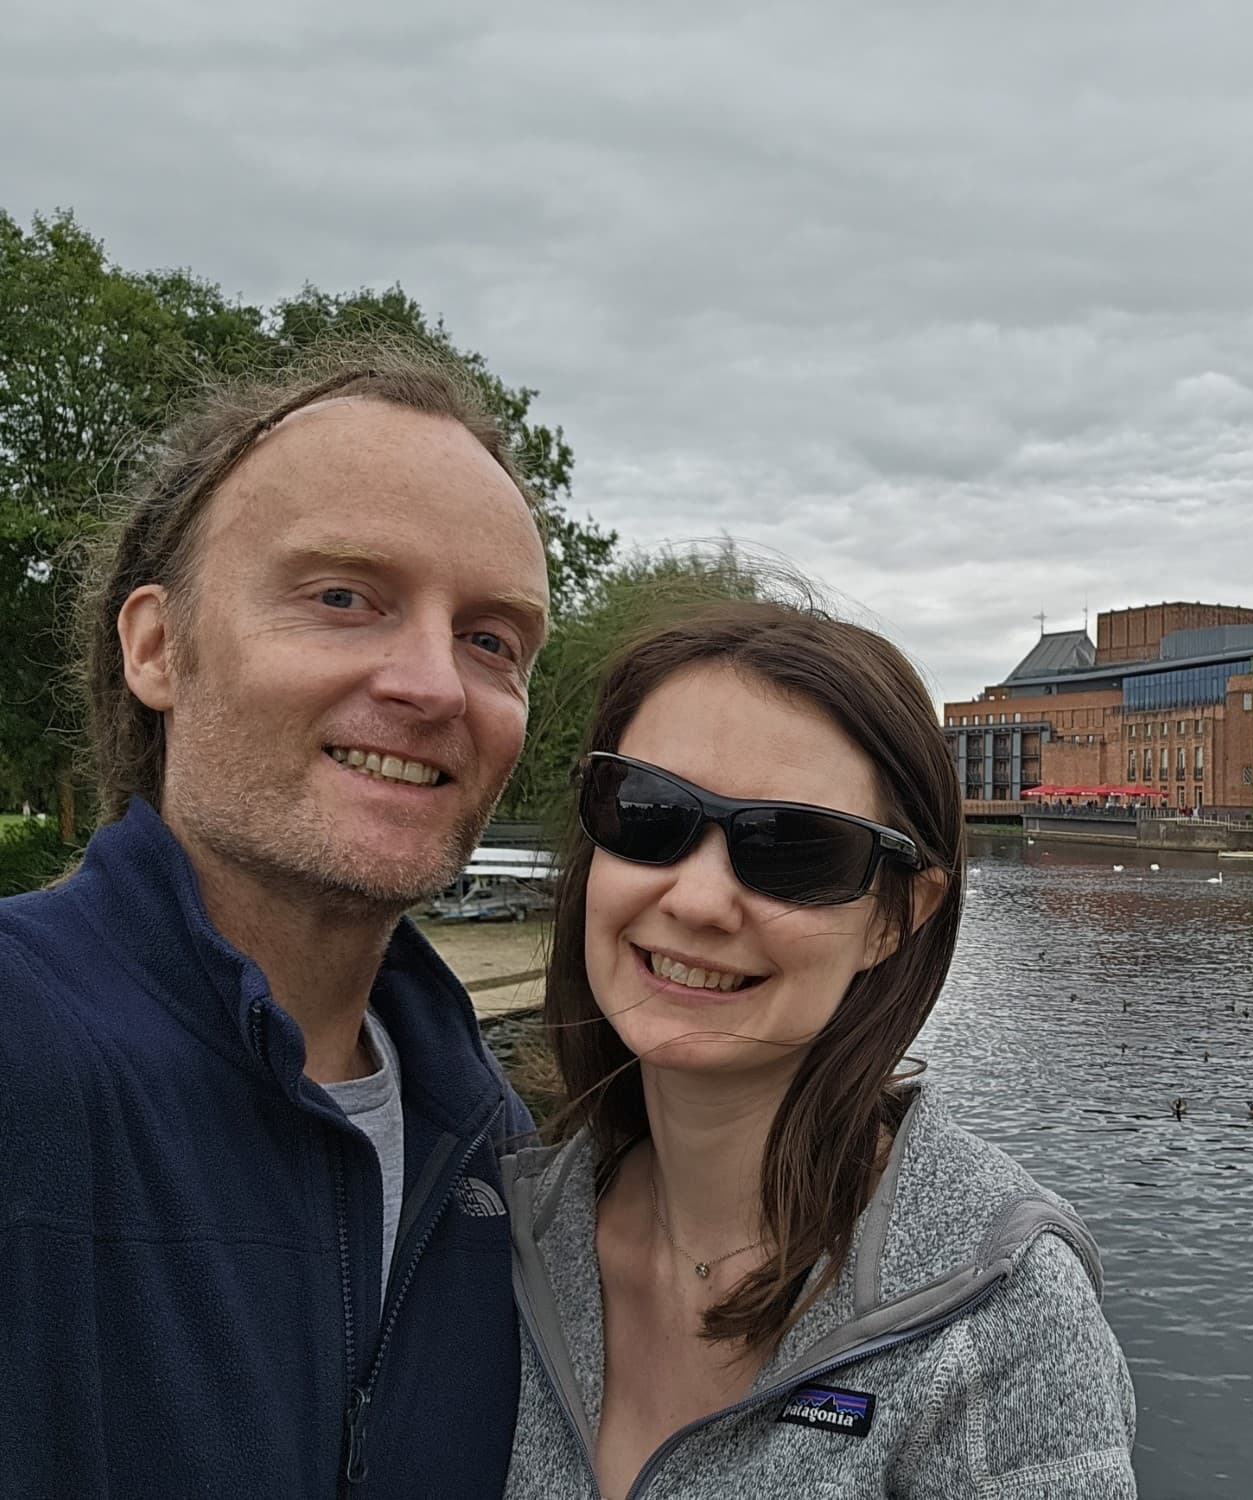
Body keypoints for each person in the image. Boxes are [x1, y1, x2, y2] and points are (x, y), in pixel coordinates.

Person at [0, 351, 551, 1498]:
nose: (435, 685)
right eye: (343, 597)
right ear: (156, 647)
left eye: (491, 638)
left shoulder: (501, 1151)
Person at [503, 602, 1137, 1498]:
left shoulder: (1000, 1314)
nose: (698, 900)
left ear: (895, 918)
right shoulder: (502, 1234)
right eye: (650, 814)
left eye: (795, 850)